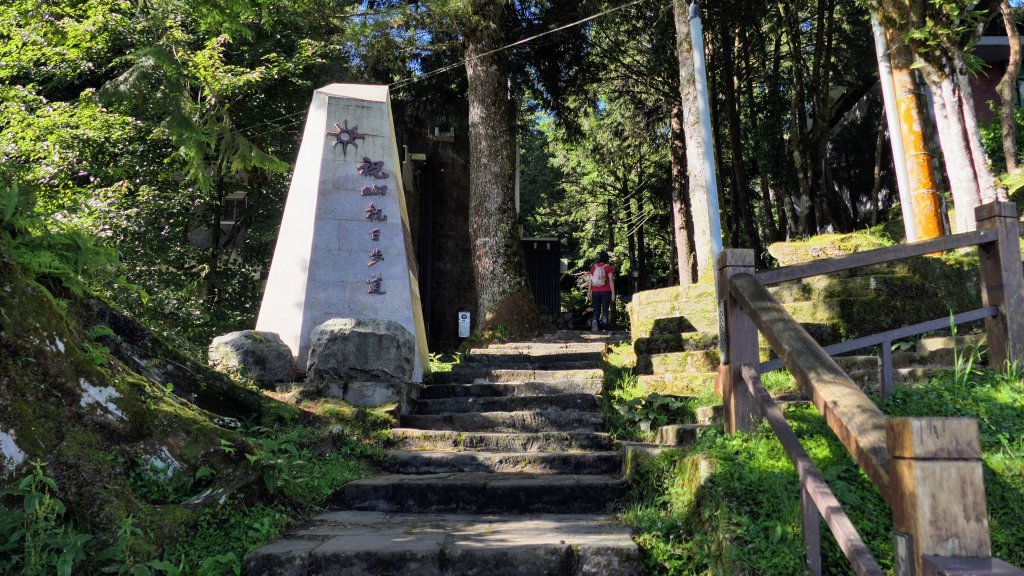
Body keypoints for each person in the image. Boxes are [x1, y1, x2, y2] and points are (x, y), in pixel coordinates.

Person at [587, 251, 615, 332]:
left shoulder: (593, 267)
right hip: (606, 291)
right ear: (607, 258)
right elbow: (610, 280)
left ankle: (594, 325)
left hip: (595, 291)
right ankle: (605, 329)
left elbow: (590, 281)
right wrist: (613, 293)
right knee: (605, 310)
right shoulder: (608, 267)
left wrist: (589, 292)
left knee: (596, 310)